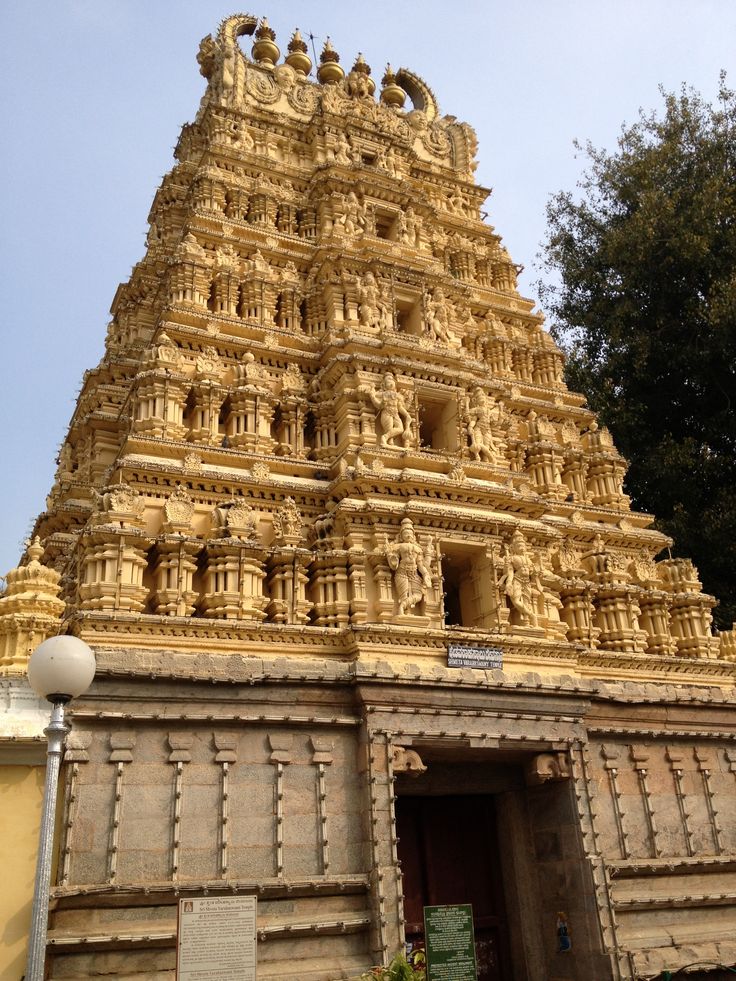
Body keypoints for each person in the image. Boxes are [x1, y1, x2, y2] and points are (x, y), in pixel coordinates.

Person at [385, 519, 433, 615]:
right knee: (403, 594)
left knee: (418, 595)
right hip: (402, 572)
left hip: (414, 573)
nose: (408, 535)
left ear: (413, 536)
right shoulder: (398, 546)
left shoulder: (418, 549)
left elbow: (420, 564)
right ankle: (404, 611)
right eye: (406, 533)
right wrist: (391, 556)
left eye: (410, 533)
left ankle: (403, 605)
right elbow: (394, 562)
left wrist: (425, 574)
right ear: (401, 536)